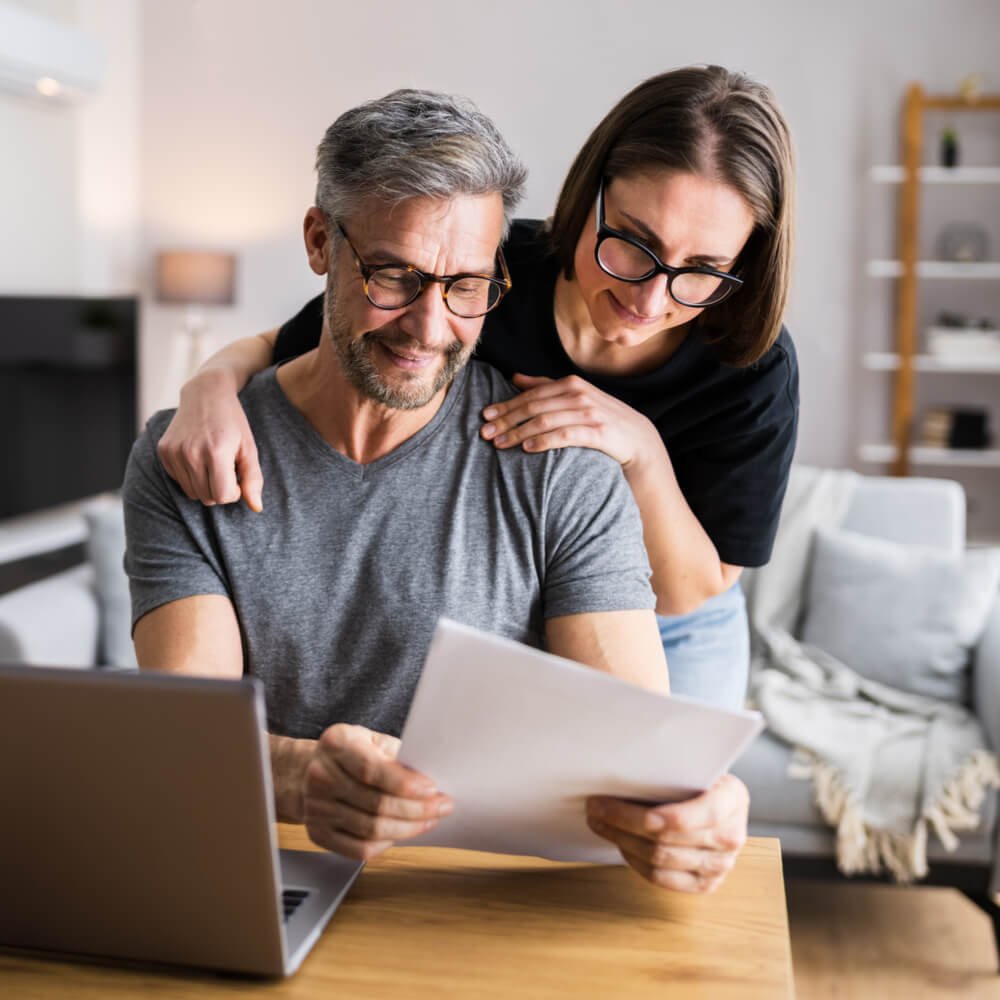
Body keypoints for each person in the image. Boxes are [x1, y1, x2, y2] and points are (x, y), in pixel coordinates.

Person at [125, 89, 749, 894]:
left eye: (466, 286)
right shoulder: (193, 456)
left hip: (477, 906)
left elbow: (635, 757)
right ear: (320, 243)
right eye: (394, 276)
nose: (428, 327)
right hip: (262, 881)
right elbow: (185, 736)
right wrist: (297, 777)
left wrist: (705, 806)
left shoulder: (564, 466)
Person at [157, 65, 799, 711]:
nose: (650, 296)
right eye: (632, 243)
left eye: (703, 270)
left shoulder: (750, 362)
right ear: (589, 196)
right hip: (541, 588)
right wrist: (208, 388)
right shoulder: (478, 269)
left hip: (678, 621)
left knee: (666, 794)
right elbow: (288, 345)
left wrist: (641, 449)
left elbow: (691, 590)